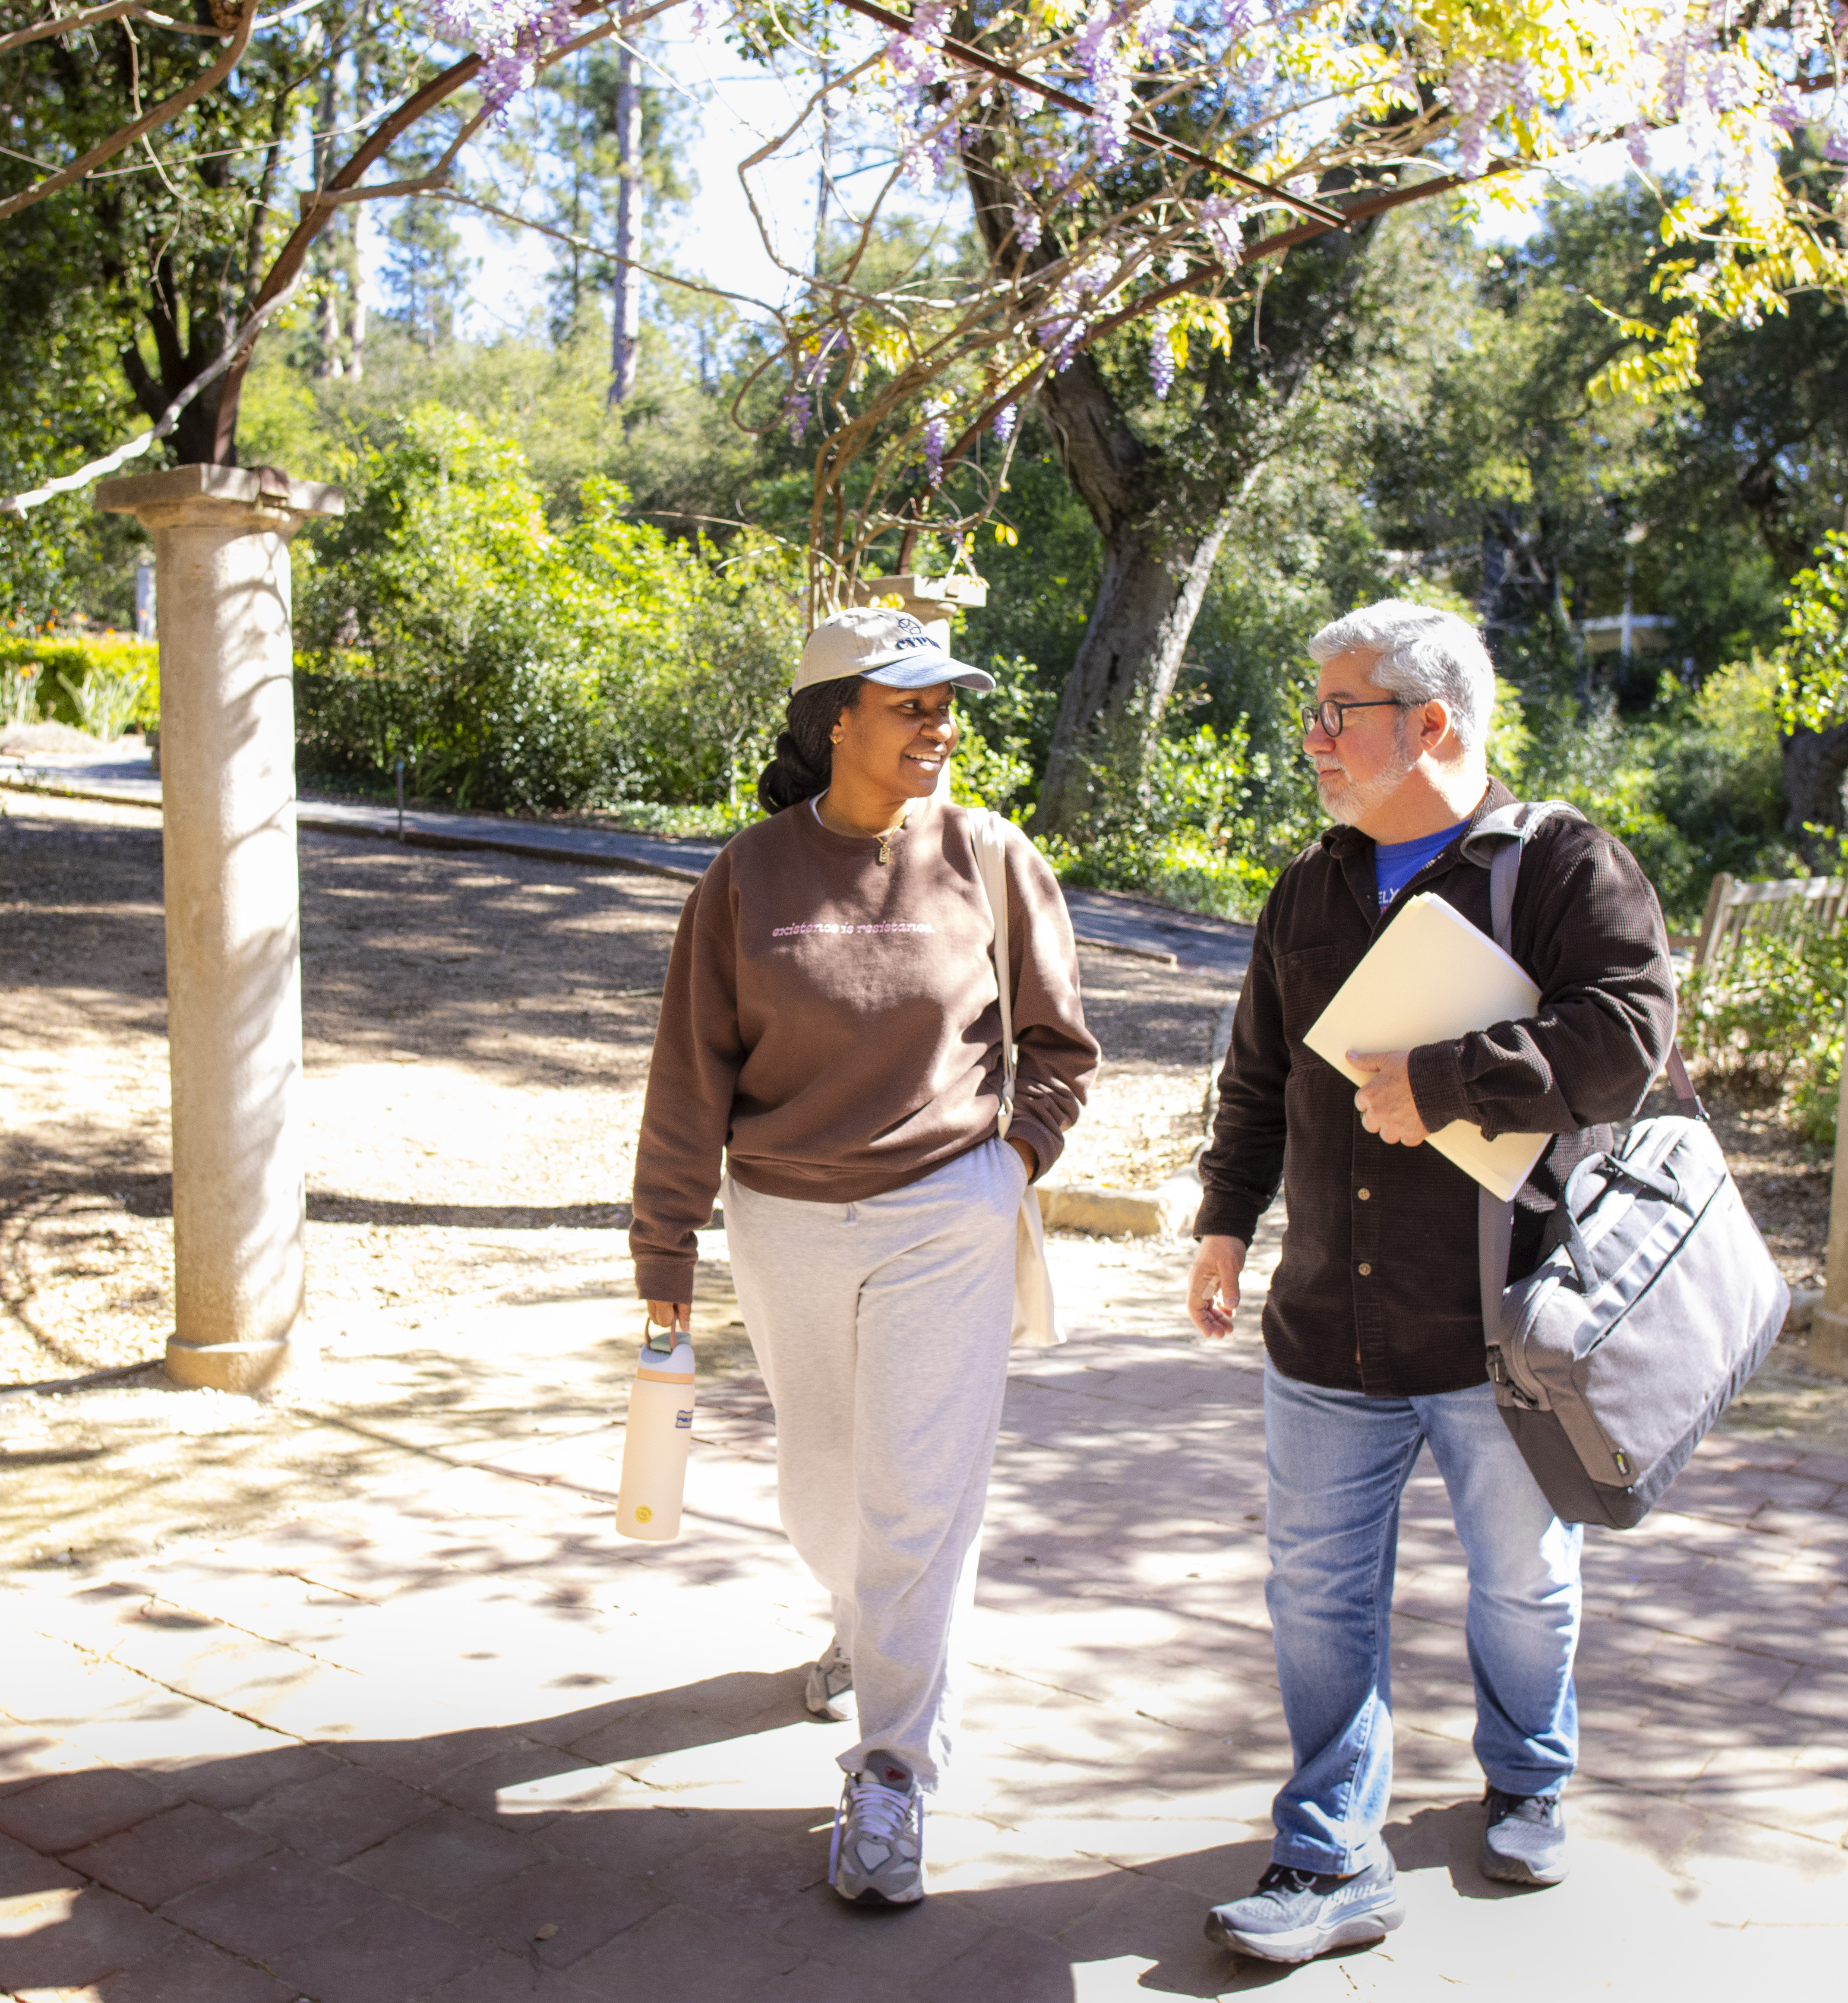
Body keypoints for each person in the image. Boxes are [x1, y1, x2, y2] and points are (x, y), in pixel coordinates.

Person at [1182, 602, 1676, 1963]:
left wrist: (1451, 1079)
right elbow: (1263, 1077)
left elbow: (1630, 1034)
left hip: (1501, 1334)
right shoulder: (1309, 887)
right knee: (1317, 1594)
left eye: (1338, 714)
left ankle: (1530, 1776)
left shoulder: (1564, 865)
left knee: (1523, 1585)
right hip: (1322, 1327)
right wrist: (1227, 1222)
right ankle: (1331, 1853)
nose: (1314, 741)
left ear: (1435, 724)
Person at [629, 605, 1098, 1908]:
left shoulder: (991, 857)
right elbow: (690, 1072)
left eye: (949, 706)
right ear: (834, 719)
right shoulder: (746, 878)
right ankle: (870, 1627)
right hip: (780, 1218)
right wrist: (662, 1239)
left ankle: (892, 1769)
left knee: (915, 1497)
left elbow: (1060, 1045)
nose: (940, 728)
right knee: (822, 1488)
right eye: (911, 705)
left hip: (945, 1213)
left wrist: (1009, 1164)